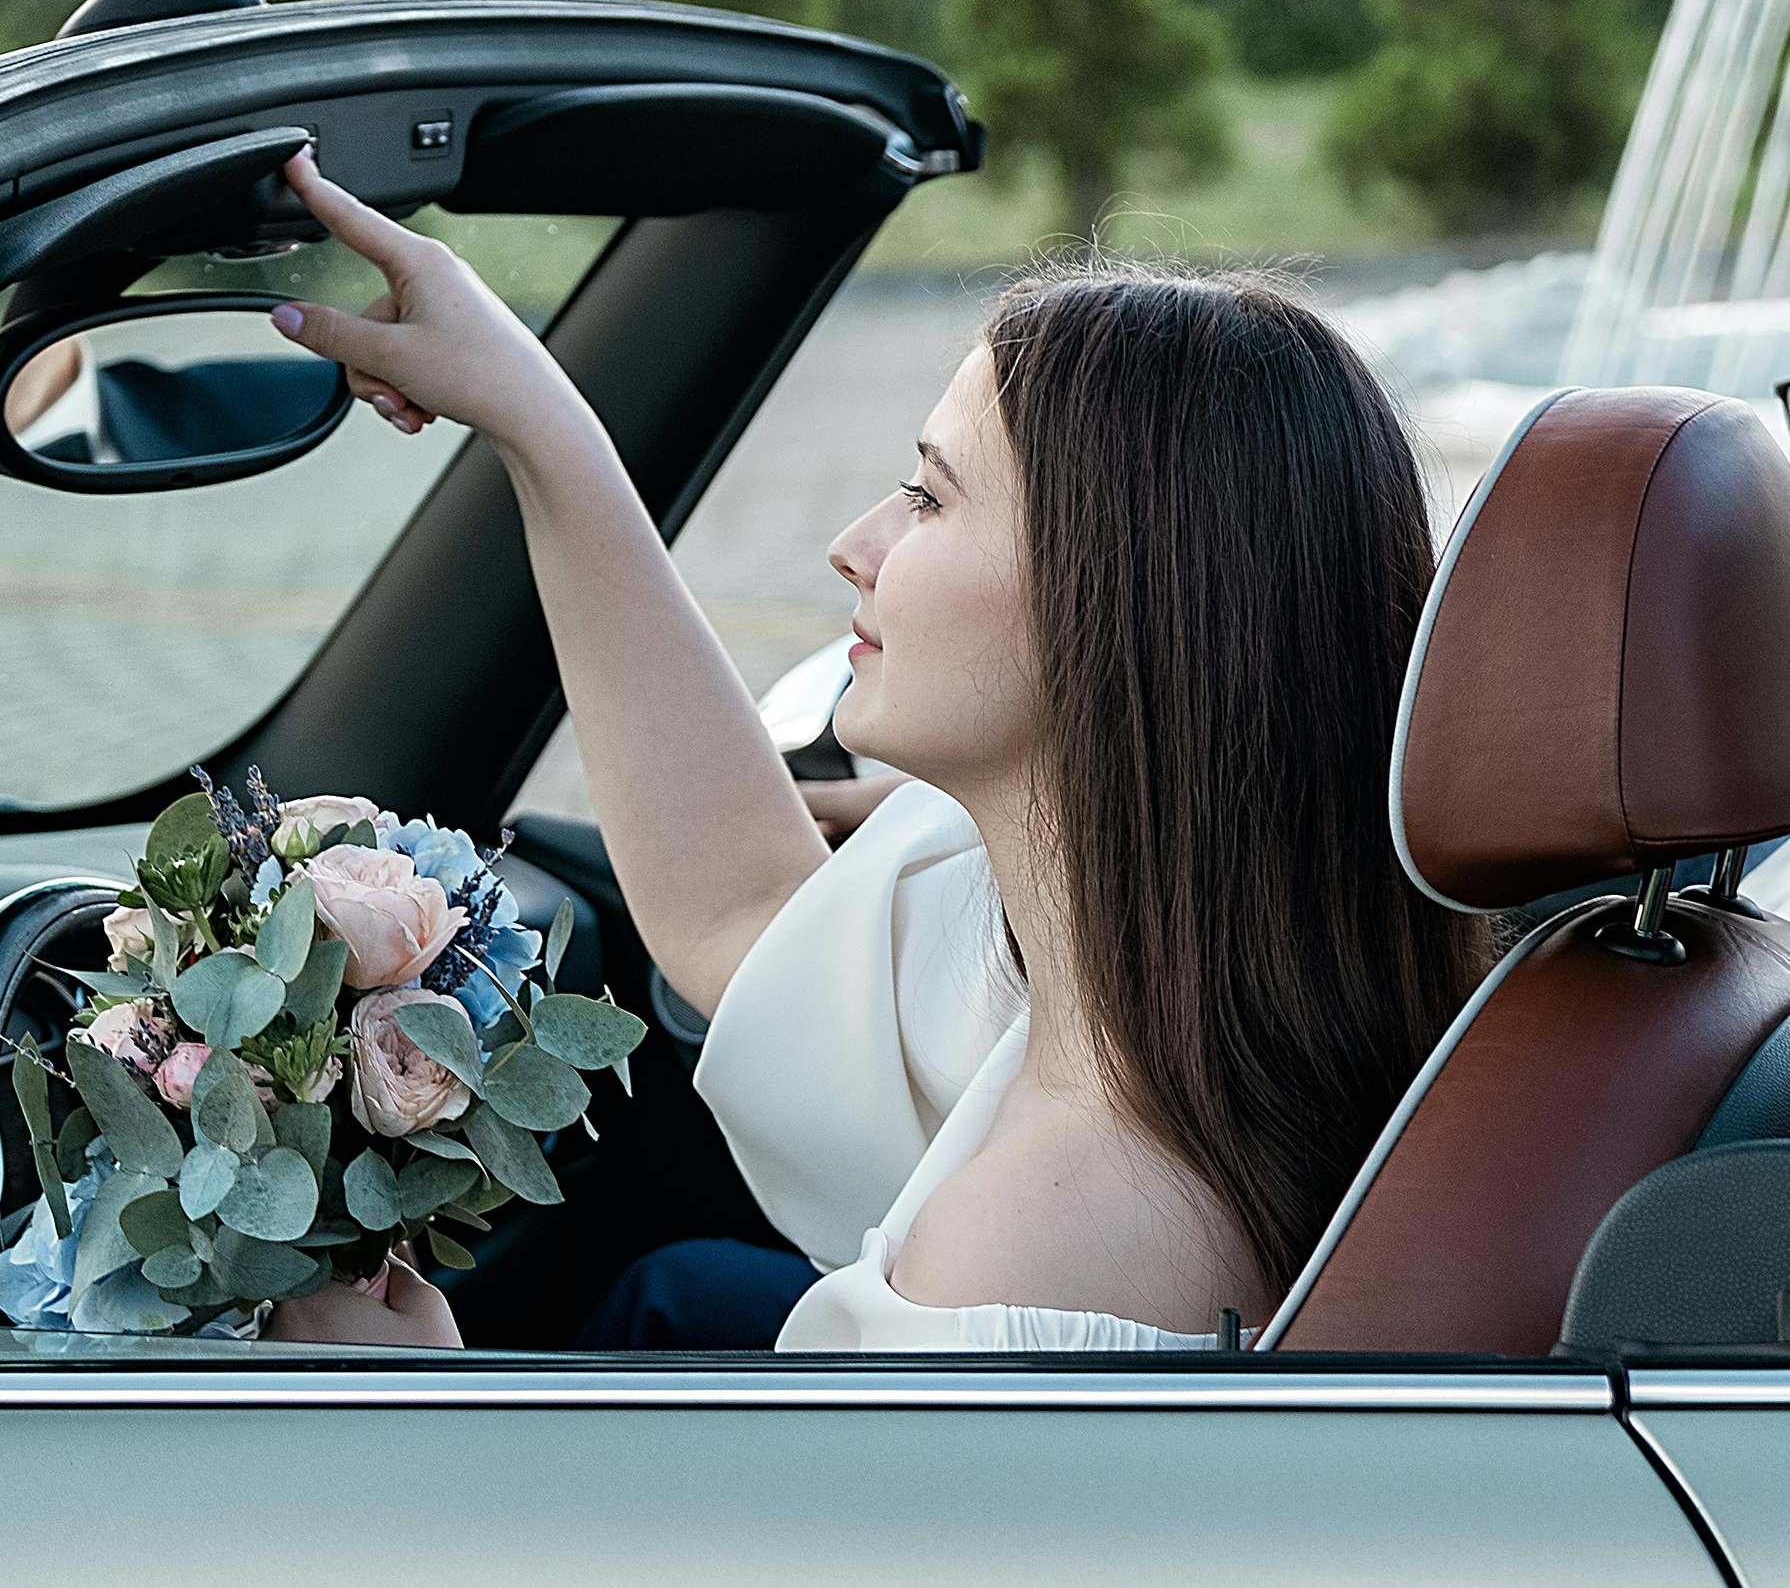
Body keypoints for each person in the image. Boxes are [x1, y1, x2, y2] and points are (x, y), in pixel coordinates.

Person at [259, 146, 1489, 1352]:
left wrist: (406, 1401)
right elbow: (738, 914)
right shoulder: (1159, 987)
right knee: (682, 1295)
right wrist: (530, 412)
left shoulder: (1032, 1243)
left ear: (1109, 607)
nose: (852, 543)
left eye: (928, 495)